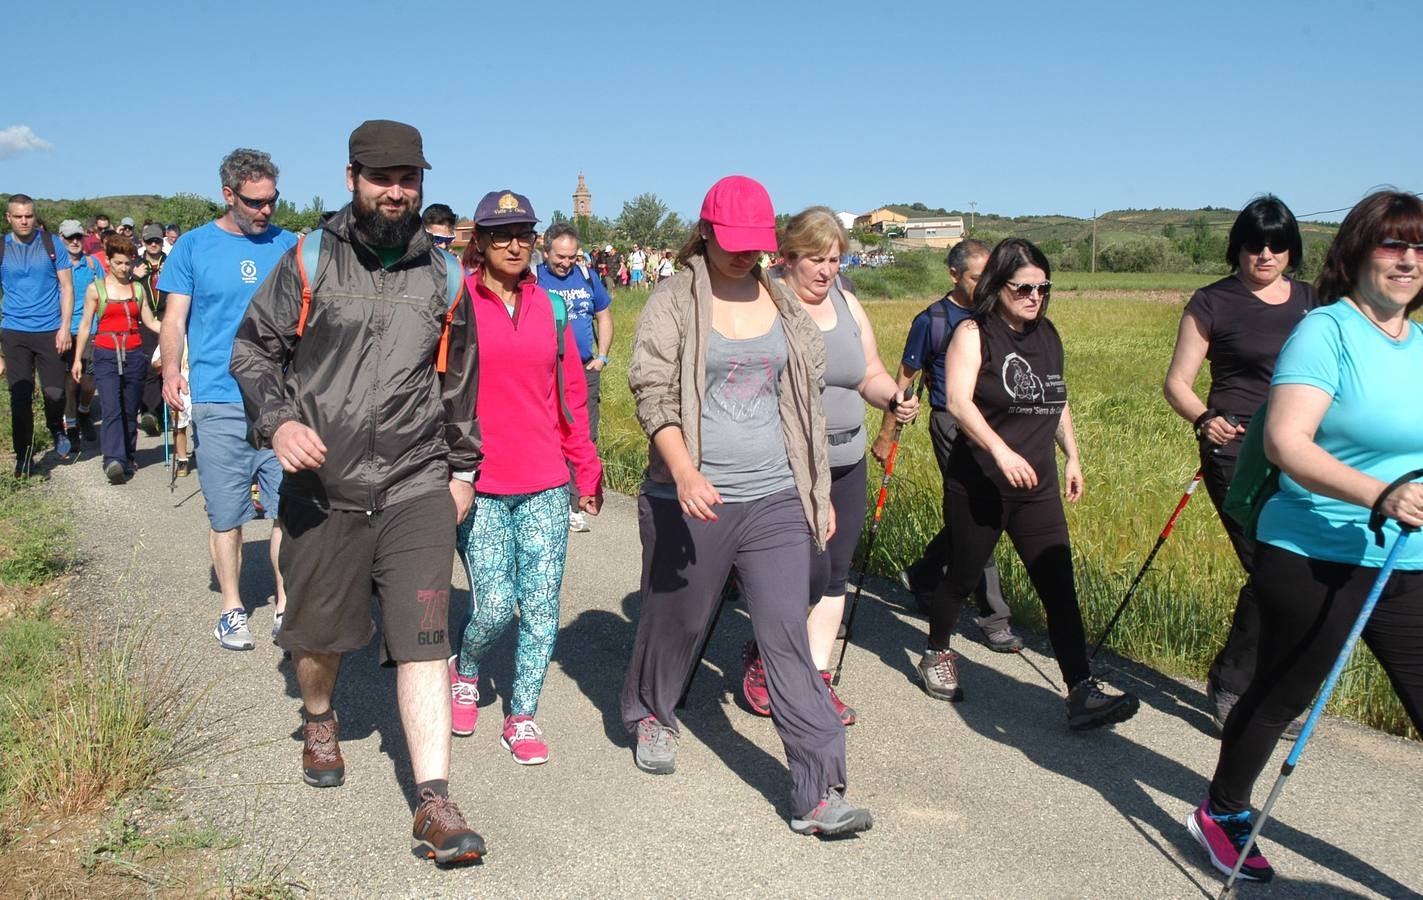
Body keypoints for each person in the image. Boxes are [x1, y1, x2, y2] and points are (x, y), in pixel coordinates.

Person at [230, 120, 487, 864]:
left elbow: (460, 382)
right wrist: (276, 423)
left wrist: (463, 470)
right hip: (321, 486)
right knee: (316, 635)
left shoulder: (443, 276)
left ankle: (434, 802)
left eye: (408, 177)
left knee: (424, 641)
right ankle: (318, 716)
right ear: (351, 179)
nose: (396, 191)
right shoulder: (307, 259)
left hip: (414, 486)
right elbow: (252, 350)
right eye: (381, 177)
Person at [622, 175, 872, 836]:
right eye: (730, 243)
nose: (742, 256)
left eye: (752, 245)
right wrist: (682, 471)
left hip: (774, 495)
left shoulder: (782, 301)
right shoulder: (674, 299)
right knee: (677, 620)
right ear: (704, 232)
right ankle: (651, 711)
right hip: (690, 498)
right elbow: (651, 389)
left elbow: (805, 406)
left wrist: (815, 492)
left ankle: (817, 790)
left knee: (785, 633)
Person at [1187, 190, 1423, 884]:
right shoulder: (1326, 332)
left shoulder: (1417, 345)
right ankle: (1222, 810)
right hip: (1316, 550)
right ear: (1356, 253)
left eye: (1419, 247)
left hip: (1403, 556)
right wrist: (1377, 493)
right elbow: (1288, 443)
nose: (1408, 259)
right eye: (1393, 244)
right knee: (1282, 694)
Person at [922, 237, 1139, 729]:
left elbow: (1056, 399)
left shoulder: (1048, 336)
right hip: (979, 482)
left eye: (1043, 288)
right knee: (960, 575)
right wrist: (1000, 450)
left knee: (1058, 586)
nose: (1034, 297)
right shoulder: (974, 333)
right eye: (1024, 288)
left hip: (1036, 485)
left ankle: (1081, 690)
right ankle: (936, 650)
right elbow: (958, 402)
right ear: (998, 285)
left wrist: (1073, 458)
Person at [739, 207, 918, 727]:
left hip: (847, 457)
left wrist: (893, 399)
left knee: (834, 573)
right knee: (799, 574)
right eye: (815, 260)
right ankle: (765, 658)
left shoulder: (848, 303)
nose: (826, 270)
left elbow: (871, 374)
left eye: (834, 260)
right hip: (785, 462)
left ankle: (814, 684)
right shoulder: (765, 302)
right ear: (787, 259)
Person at [448, 190, 602, 766]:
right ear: (480, 242)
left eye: (523, 233)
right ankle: (466, 668)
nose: (515, 243)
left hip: (544, 480)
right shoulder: (457, 301)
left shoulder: (551, 308)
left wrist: (585, 467)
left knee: (539, 606)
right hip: (479, 480)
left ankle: (522, 715)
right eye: (501, 234)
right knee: (492, 605)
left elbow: (571, 396)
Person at [1162, 195, 1317, 734]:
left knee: (1299, 566)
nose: (1266, 254)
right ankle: (1234, 682)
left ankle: (1266, 683)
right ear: (1239, 249)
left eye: (1277, 244)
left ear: (1292, 249)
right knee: (1268, 564)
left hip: (1304, 451)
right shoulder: (1212, 302)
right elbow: (1176, 383)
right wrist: (1205, 418)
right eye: (1254, 244)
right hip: (1236, 452)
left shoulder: (1312, 301)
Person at [158, 148, 293, 651]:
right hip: (218, 398)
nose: (266, 212)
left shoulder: (291, 246)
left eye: (272, 201)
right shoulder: (192, 247)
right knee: (226, 512)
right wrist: (172, 368)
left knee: (288, 510)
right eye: (255, 202)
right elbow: (174, 320)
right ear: (228, 194)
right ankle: (232, 609)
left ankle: (285, 605)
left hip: (282, 404)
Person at [879, 238, 1022, 651]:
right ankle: (994, 615)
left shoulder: (995, 314)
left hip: (994, 422)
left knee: (977, 512)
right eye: (979, 277)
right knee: (984, 510)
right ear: (954, 275)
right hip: (951, 422)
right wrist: (888, 433)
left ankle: (924, 573)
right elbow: (904, 380)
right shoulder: (934, 320)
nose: (988, 284)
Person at [536, 222, 613, 533]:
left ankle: (576, 500)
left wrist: (602, 356)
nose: (566, 263)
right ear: (546, 252)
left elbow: (603, 315)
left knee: (584, 434)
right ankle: (551, 498)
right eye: (560, 257)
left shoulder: (586, 277)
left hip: (583, 369)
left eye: (571, 256)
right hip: (548, 371)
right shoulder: (534, 279)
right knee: (552, 436)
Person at [70, 234, 161, 483]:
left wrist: (176, 330)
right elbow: (86, 325)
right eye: (118, 262)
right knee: (111, 408)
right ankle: (113, 459)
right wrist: (78, 359)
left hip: (133, 354)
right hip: (105, 354)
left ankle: (128, 455)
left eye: (127, 263)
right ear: (108, 261)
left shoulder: (138, 289)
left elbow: (151, 322)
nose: (123, 268)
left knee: (130, 409)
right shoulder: (95, 289)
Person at [2, 194, 74, 475]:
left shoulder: (51, 244)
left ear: (35, 216)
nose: (24, 221)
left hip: (49, 330)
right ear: (8, 217)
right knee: (19, 396)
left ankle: (56, 426)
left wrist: (65, 328)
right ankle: (24, 456)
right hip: (14, 331)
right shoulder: (2, 247)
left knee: (54, 394)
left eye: (29, 215)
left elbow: (67, 287)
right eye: (18, 216)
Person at [56, 219, 103, 449]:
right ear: (61, 238)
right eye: (69, 238)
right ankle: (72, 425)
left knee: (89, 382)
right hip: (64, 332)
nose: (75, 242)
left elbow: (105, 293)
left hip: (92, 330)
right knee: (69, 382)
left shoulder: (93, 264)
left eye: (78, 237)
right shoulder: (54, 265)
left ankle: (84, 412)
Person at [134, 223, 169, 436]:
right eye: (150, 241)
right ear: (143, 243)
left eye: (157, 240)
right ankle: (150, 412)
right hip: (144, 322)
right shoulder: (135, 265)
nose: (154, 244)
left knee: (167, 365)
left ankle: (166, 412)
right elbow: (123, 288)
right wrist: (134, 277)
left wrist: (171, 273)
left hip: (168, 318)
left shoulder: (171, 262)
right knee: (149, 366)